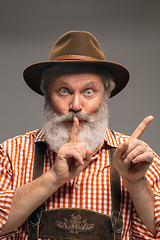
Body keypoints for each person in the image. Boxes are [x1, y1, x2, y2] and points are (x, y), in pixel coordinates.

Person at [0, 30, 160, 240]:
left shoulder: (136, 158)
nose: (76, 106)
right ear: (47, 93)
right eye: (64, 91)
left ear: (107, 96)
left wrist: (137, 183)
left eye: (89, 92)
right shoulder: (10, 154)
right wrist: (53, 179)